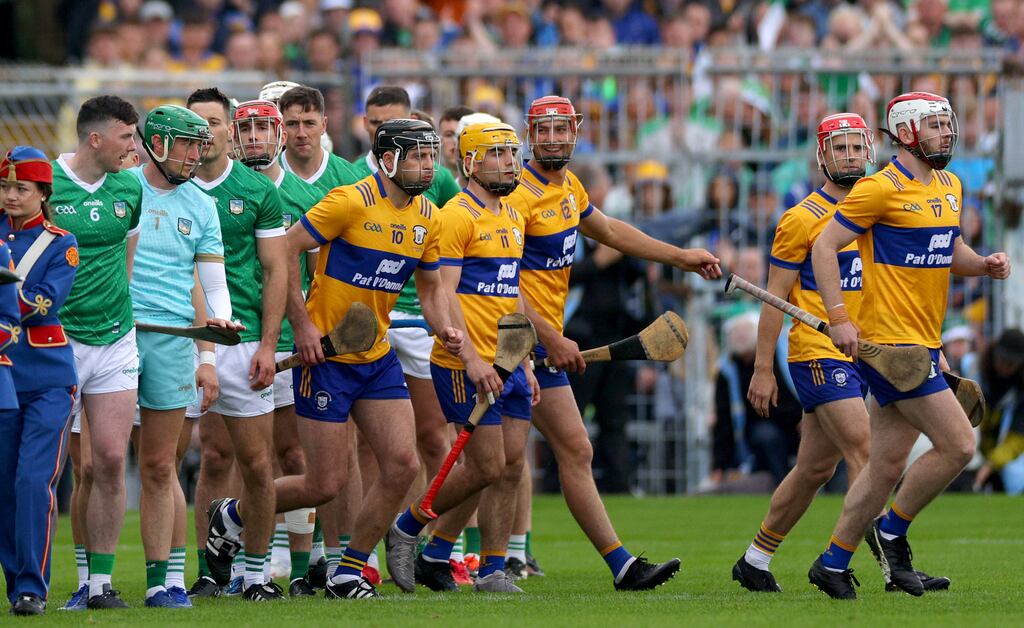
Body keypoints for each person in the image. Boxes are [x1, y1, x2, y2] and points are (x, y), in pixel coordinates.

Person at [205, 119, 463, 599]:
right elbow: (282, 254)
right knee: (325, 482)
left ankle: (348, 571)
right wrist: (302, 326)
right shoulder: (349, 201)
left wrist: (444, 325)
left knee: (403, 465)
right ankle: (233, 515)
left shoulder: (429, 214)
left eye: (432, 157)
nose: (429, 167)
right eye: (417, 157)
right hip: (326, 358)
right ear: (387, 160)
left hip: (377, 355)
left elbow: (429, 288)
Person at [500, 94, 719, 591]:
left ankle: (621, 566)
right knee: (498, 464)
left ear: (576, 131)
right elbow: (503, 281)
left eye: (563, 129)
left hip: (543, 345)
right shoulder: (516, 195)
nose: (554, 138)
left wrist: (680, 256)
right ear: (530, 135)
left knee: (575, 450)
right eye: (544, 130)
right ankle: (431, 543)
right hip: (510, 343)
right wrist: (551, 336)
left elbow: (613, 232)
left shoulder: (570, 187)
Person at [808, 92, 1010, 599]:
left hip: (924, 342)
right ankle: (892, 534)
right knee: (960, 444)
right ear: (905, 134)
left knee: (885, 466)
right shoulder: (878, 189)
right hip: (890, 346)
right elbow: (824, 247)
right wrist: (837, 318)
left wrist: (981, 263)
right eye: (934, 126)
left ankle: (832, 563)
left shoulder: (951, 184)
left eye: (947, 124)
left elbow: (948, 248)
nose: (946, 133)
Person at [386, 120, 537, 595]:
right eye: (496, 155)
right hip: (462, 364)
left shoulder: (512, 214)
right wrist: (471, 358)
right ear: (470, 162)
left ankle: (488, 569)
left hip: (509, 361)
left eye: (511, 154)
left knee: (510, 467)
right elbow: (444, 293)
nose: (508, 163)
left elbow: (510, 295)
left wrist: (526, 359)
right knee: (487, 466)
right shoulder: (456, 215)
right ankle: (408, 527)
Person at [732, 113, 875, 591]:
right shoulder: (801, 219)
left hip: (863, 353)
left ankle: (754, 559)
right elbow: (774, 297)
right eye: (841, 149)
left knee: (814, 468)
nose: (850, 156)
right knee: (865, 451)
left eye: (857, 148)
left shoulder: (878, 209)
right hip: (816, 349)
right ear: (822, 156)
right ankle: (844, 563)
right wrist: (762, 369)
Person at [347, 85, 463, 583]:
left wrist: (450, 325)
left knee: (433, 438)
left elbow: (450, 258)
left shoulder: (434, 181)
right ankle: (359, 555)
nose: (382, 132)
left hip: (416, 322)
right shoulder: (353, 184)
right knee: (365, 451)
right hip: (361, 327)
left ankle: (438, 546)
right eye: (374, 125)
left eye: (391, 122)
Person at [130, 104, 242, 607]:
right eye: (188, 144)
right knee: (97, 465)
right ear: (156, 143)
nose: (198, 155)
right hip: (112, 338)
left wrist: (210, 355)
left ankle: (167, 581)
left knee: (160, 465)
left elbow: (213, 287)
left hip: (173, 342)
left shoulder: (201, 204)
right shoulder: (123, 188)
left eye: (202, 145)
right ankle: (94, 584)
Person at [186, 88, 289, 601]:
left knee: (258, 461)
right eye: (195, 123)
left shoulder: (256, 190)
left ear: (230, 128)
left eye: (214, 122)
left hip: (241, 338)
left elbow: (276, 271)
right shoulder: (162, 188)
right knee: (211, 456)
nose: (206, 132)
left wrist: (268, 345)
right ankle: (208, 570)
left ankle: (256, 573)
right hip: (184, 340)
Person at [48, 95, 143, 611]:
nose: (135, 147)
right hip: (55, 341)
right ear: (95, 139)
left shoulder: (130, 187)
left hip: (115, 338)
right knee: (54, 466)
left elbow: (123, 261)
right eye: (127, 137)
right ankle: (53, 580)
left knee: (108, 459)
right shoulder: (46, 185)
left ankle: (101, 587)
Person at [229, 98, 324, 597]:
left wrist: (307, 324)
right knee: (234, 455)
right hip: (233, 337)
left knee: (292, 453)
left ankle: (305, 567)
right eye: (246, 130)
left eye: (265, 129)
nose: (256, 139)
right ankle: (225, 563)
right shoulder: (219, 189)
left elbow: (310, 270)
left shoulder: (302, 193)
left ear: (281, 136)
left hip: (290, 341)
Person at [0, 147, 78, 616]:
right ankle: (16, 585)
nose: (10, 196)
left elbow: (43, 303)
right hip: (3, 374)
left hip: (48, 375)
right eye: (5, 187)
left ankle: (32, 586)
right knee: (5, 483)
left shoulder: (61, 242)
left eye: (20, 189)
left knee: (33, 479)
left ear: (42, 193)